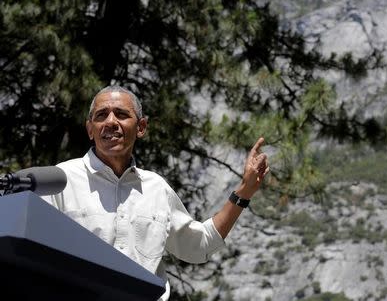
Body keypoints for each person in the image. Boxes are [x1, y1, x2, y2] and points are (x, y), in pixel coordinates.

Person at [42, 86, 269, 300]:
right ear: (90, 130)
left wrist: (244, 191)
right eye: (101, 115)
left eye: (121, 114)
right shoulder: (60, 180)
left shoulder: (156, 188)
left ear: (141, 127)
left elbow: (198, 246)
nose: (110, 122)